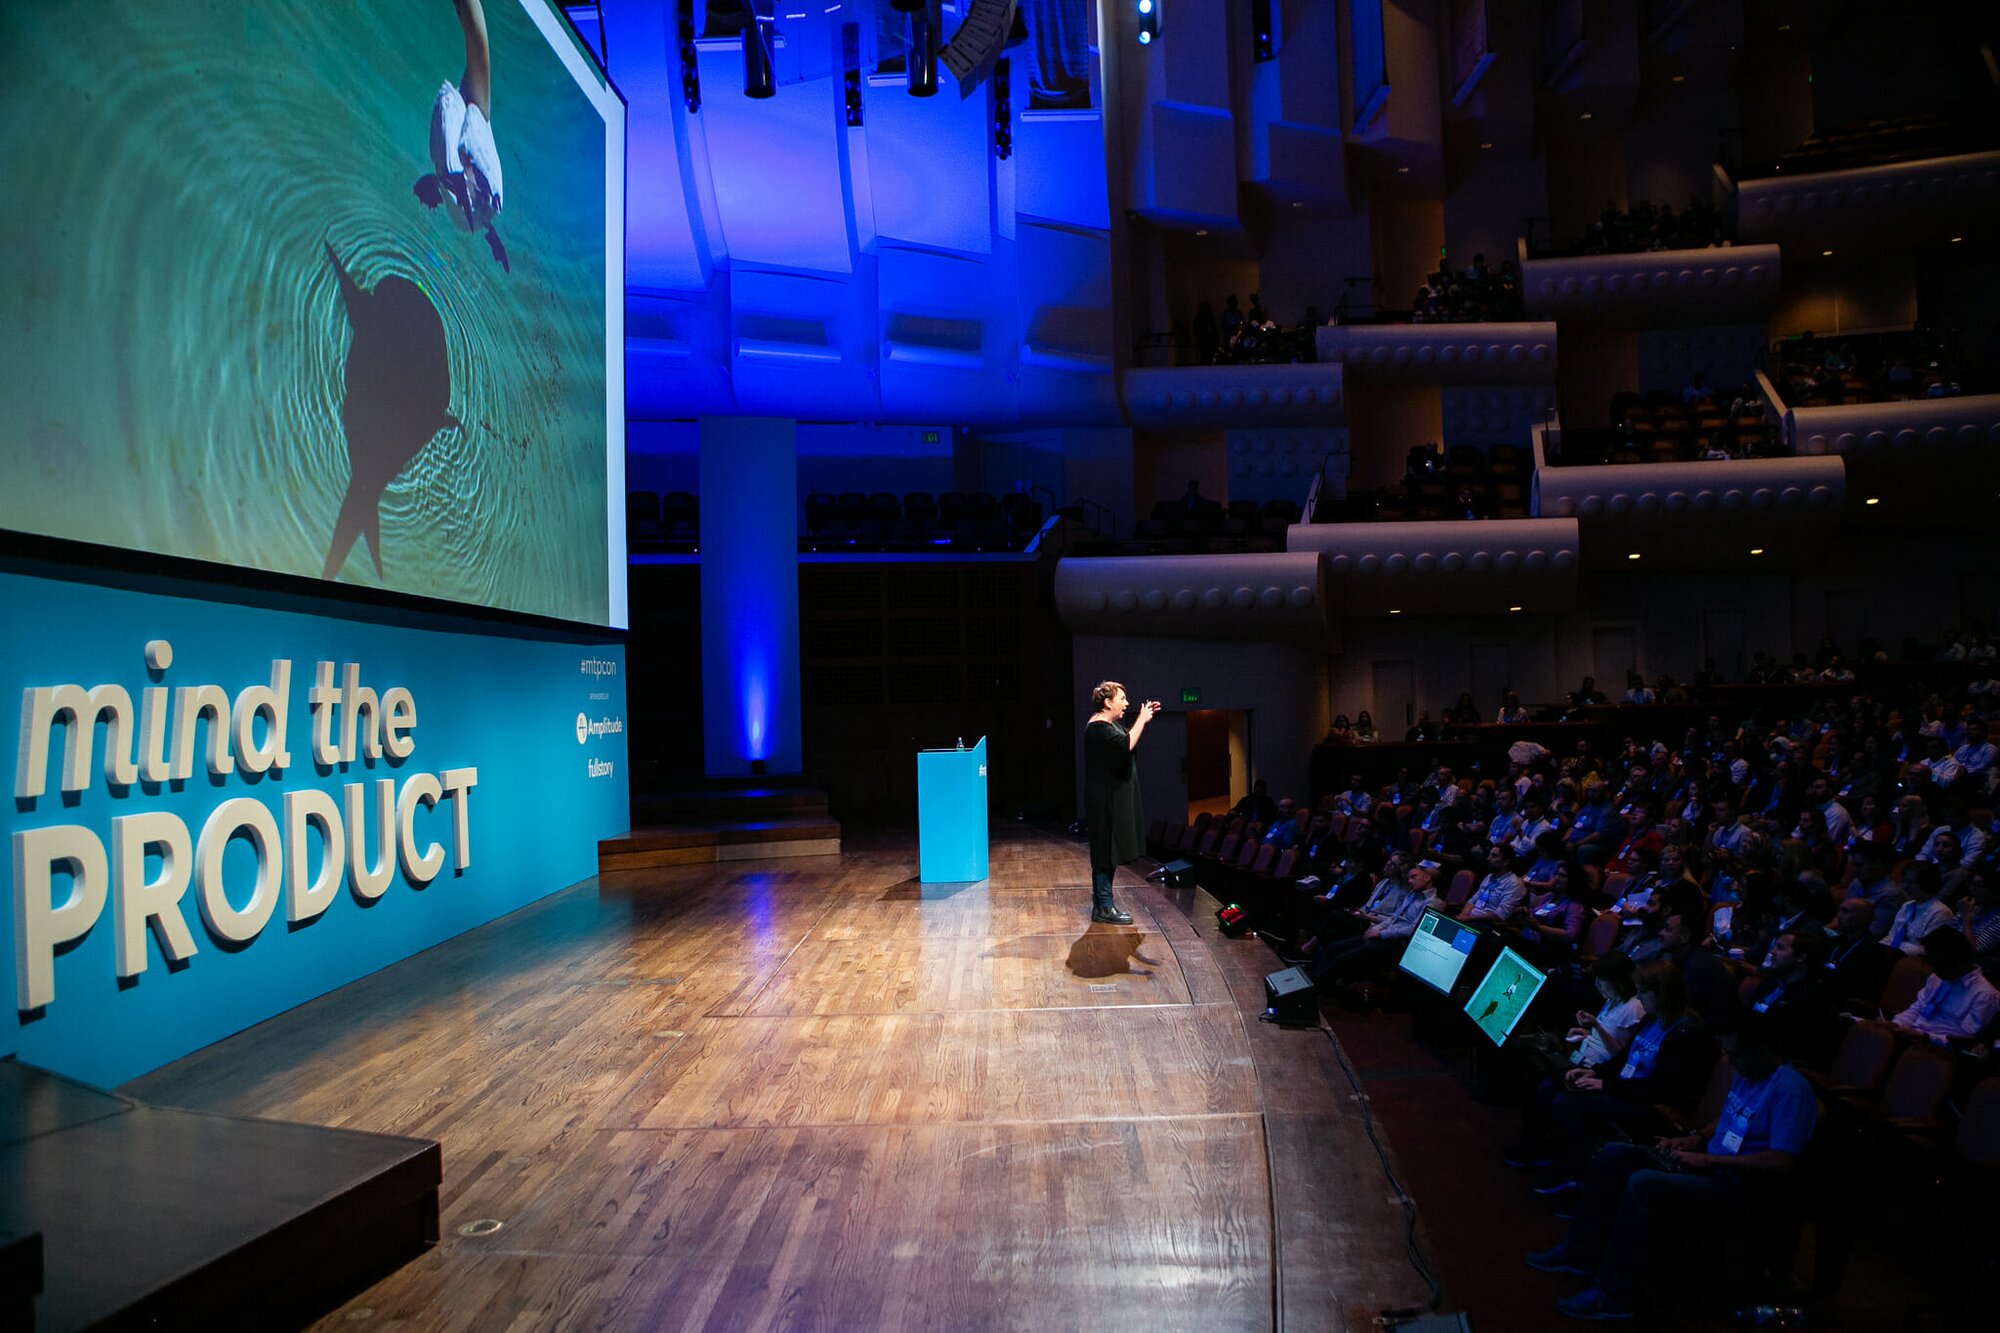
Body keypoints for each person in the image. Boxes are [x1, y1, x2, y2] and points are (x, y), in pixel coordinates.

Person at [1526, 1015, 1819, 1320]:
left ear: (1762, 1051)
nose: (1730, 1062)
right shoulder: (1750, 1071)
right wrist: (1696, 1139)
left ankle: (1615, 1295)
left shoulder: (1791, 1089)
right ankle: (1580, 1252)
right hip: (1709, 1164)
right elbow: (1730, 1117)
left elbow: (1782, 1161)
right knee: (1615, 1155)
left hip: (1738, 1184)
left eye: (1735, 1054)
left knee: (1643, 1183)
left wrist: (1710, 1159)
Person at [417, 0, 508, 266]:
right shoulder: (471, 111)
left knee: (476, 52)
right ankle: (449, 183)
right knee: (477, 50)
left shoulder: (464, 109)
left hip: (466, 205)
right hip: (471, 202)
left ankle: (446, 183)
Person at [1083, 681, 1159, 925]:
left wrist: (1143, 719)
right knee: (1105, 853)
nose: (1126, 703)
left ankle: (1103, 905)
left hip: (1110, 799)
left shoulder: (1109, 725)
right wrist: (1142, 720)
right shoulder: (1098, 728)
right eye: (1122, 699)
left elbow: (1126, 741)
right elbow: (1125, 745)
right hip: (1104, 801)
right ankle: (1104, 908)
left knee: (1109, 852)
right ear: (1107, 703)